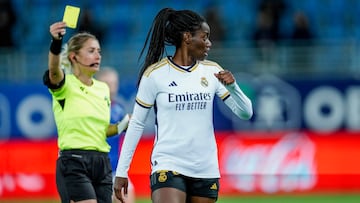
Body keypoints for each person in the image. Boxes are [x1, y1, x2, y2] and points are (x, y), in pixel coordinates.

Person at [114, 8, 253, 203]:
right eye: (204, 37)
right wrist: (122, 172)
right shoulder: (155, 74)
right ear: (187, 37)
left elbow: (246, 113)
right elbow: (136, 124)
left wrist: (234, 87)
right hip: (168, 163)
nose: (209, 44)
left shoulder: (212, 71)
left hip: (205, 167)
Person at [44, 21, 129, 203]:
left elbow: (103, 130)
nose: (97, 55)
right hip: (74, 161)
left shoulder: (103, 89)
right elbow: (53, 70)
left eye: (99, 51)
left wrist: (124, 124)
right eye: (91, 51)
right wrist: (56, 42)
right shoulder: (64, 84)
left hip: (102, 164)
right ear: (73, 57)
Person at [96, 67, 135, 203]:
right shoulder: (93, 108)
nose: (111, 87)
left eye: (114, 83)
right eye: (107, 83)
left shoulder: (118, 108)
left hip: (115, 170)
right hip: (96, 171)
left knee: (128, 195)